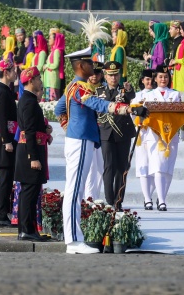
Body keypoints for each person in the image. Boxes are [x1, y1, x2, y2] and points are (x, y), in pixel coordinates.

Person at [55, 47, 148, 254]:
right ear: (80, 66)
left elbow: (59, 110)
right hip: (80, 141)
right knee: (74, 190)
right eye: (89, 63)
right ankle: (73, 241)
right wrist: (130, 109)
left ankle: (75, 239)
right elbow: (99, 104)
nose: (93, 66)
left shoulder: (75, 86)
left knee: (76, 190)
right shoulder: (80, 88)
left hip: (81, 139)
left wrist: (69, 127)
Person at [15, 67, 50, 241]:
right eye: (37, 78)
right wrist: (34, 157)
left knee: (28, 192)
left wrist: (45, 129)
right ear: (30, 81)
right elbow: (28, 131)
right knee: (29, 193)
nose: (39, 80)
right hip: (30, 153)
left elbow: (33, 126)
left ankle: (26, 229)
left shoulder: (28, 100)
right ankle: (26, 230)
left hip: (29, 150)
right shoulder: (28, 102)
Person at [96, 61, 136, 210]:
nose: (113, 78)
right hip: (106, 133)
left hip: (123, 132)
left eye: (116, 75)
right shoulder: (100, 92)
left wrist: (129, 89)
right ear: (105, 76)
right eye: (110, 75)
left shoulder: (125, 90)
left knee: (122, 168)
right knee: (109, 167)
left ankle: (118, 201)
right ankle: (109, 200)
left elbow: (132, 96)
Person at [142, 65, 182, 211]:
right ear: (155, 79)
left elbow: (179, 112)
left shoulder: (175, 94)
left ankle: (161, 197)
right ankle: (162, 201)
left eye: (165, 77)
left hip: (171, 135)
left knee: (168, 169)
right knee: (157, 167)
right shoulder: (150, 95)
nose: (163, 79)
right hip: (155, 136)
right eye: (160, 77)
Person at [0, 59, 18, 227]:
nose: (15, 73)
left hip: (7, 137)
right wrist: (6, 140)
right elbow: (1, 119)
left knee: (6, 179)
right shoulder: (1, 91)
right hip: (4, 141)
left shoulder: (6, 90)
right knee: (4, 179)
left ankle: (0, 214)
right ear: (6, 72)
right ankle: (0, 215)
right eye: (13, 70)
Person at [133, 69, 156, 210]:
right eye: (147, 79)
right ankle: (147, 198)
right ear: (142, 80)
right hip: (141, 134)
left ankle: (151, 194)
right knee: (143, 166)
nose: (150, 82)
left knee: (156, 167)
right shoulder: (137, 96)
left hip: (155, 134)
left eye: (152, 79)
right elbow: (132, 113)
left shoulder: (158, 94)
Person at [84, 62, 105, 201]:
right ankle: (89, 197)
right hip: (89, 131)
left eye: (96, 73)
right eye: (91, 73)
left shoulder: (105, 90)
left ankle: (95, 196)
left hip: (103, 131)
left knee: (101, 167)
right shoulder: (82, 88)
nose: (93, 76)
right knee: (90, 167)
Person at [44, 33, 65, 101]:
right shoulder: (53, 51)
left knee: (52, 101)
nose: (48, 40)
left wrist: (47, 65)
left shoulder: (56, 51)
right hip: (49, 80)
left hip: (53, 80)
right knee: (48, 101)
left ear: (55, 40)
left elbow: (56, 64)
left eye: (50, 38)